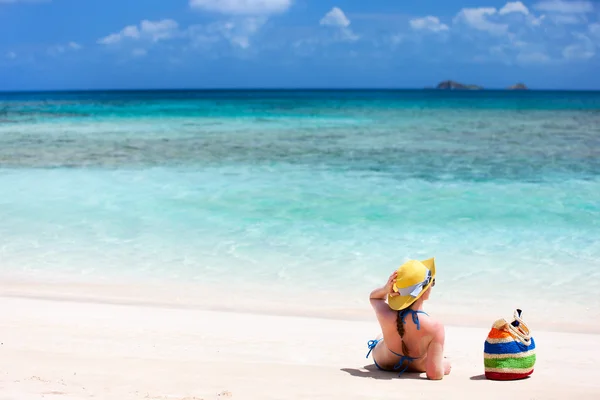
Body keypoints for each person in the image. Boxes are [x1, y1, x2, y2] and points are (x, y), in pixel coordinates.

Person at [366, 258, 451, 379]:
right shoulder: (435, 327)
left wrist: (385, 289)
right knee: (437, 355)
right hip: (416, 367)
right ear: (425, 290)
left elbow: (374, 298)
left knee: (381, 336)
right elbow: (435, 374)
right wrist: (444, 365)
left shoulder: (386, 314)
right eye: (432, 282)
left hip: (384, 363)